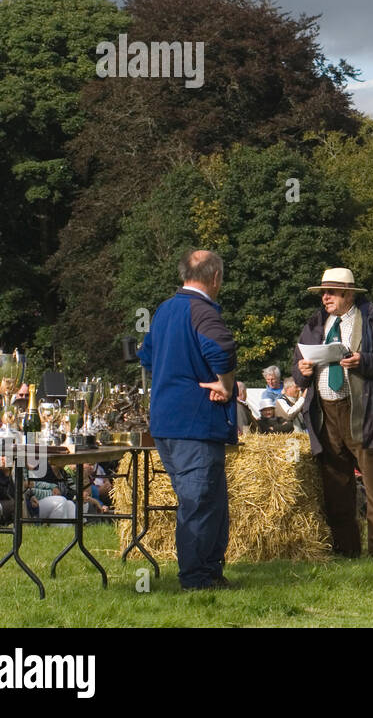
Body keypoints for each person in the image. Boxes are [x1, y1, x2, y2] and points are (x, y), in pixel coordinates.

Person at [293, 267, 373, 558]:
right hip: (325, 413)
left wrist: (366, 361)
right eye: (322, 292)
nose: (325, 298)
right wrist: (302, 372)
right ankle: (345, 551)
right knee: (336, 489)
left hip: (365, 413)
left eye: (330, 292)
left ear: (348, 293)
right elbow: (298, 373)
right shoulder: (313, 325)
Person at [137, 249, 238, 591]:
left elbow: (147, 356)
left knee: (208, 501)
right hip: (195, 424)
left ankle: (209, 571)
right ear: (215, 278)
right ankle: (196, 579)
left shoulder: (164, 309)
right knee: (200, 502)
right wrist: (225, 384)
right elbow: (222, 349)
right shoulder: (201, 311)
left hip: (166, 422)